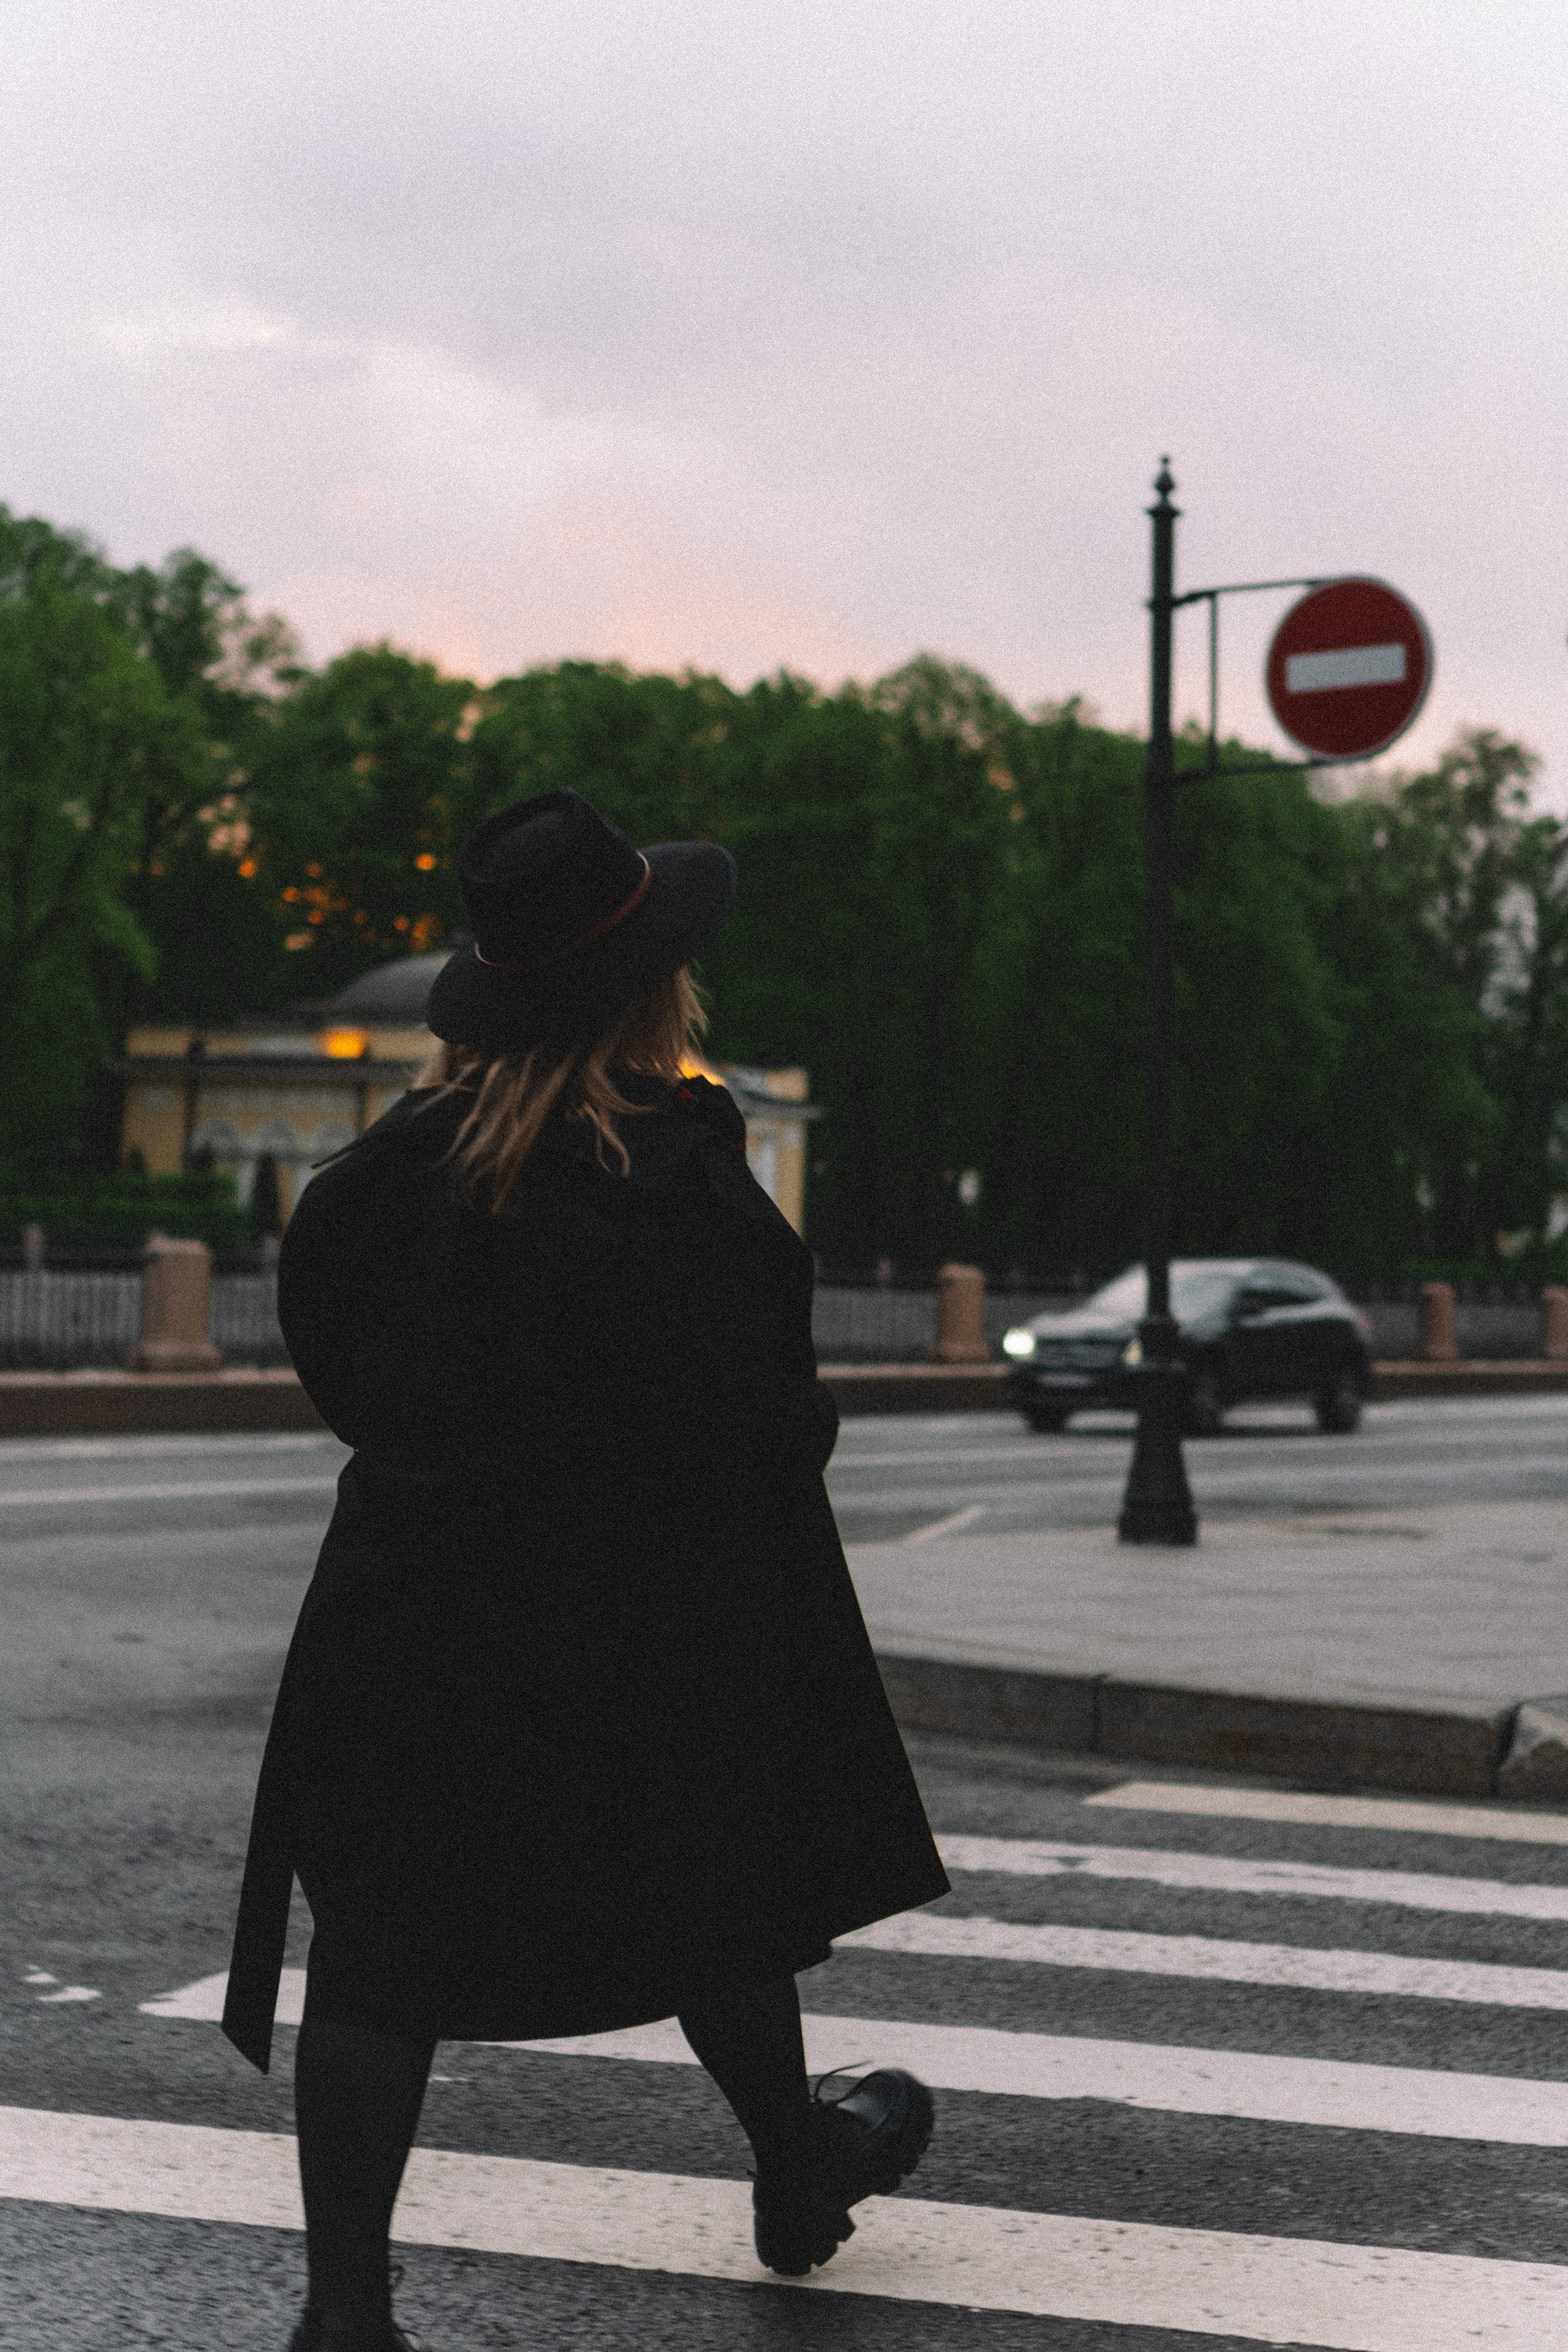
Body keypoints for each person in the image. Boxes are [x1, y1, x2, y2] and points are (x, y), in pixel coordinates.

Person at [222, 789, 951, 2351]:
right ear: (645, 991)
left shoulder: (375, 1187)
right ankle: (796, 2170)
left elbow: (348, 1378)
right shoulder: (677, 1182)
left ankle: (345, 2314)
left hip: (411, 1623)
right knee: (710, 1887)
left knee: (377, 1952)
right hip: (638, 1627)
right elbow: (769, 1422)